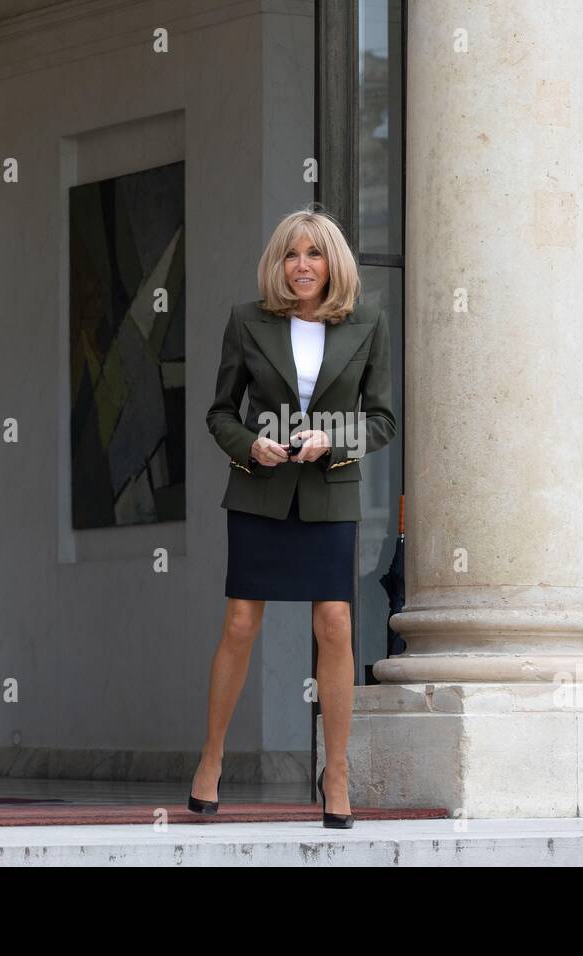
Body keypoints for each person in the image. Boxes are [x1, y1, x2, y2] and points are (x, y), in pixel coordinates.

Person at [190, 206, 396, 828]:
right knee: (240, 625)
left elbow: (382, 420)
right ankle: (211, 758)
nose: (302, 265)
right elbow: (219, 412)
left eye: (314, 253)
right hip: (260, 490)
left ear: (334, 263)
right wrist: (248, 444)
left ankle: (336, 772)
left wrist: (330, 439)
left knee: (335, 624)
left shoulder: (369, 323)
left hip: (330, 493)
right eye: (291, 254)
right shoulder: (246, 322)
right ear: (278, 265)